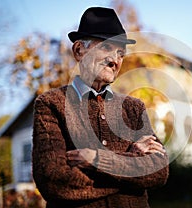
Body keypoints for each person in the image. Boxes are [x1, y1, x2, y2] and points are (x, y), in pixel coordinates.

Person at [32, 7, 169, 208]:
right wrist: (133, 166)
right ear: (79, 50)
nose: (115, 60)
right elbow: (54, 181)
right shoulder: (50, 103)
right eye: (106, 48)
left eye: (121, 53)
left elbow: (159, 171)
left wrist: (97, 160)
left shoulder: (133, 108)